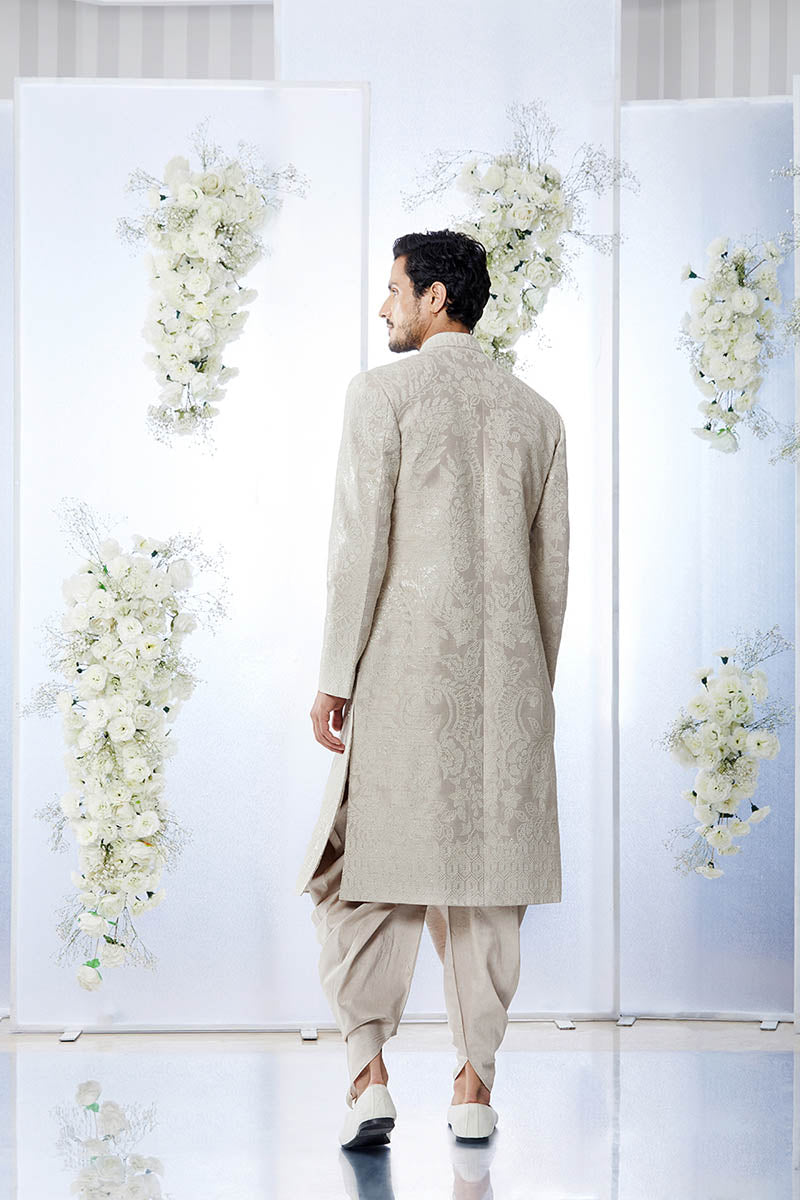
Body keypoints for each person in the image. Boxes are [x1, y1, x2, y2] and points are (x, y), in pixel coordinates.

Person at [295, 229, 570, 1149]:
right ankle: (474, 1087)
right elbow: (552, 578)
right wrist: (530, 689)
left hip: (404, 678)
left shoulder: (382, 395)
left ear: (435, 297)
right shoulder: (538, 415)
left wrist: (335, 676)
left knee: (363, 874)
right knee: (485, 890)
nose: (385, 307)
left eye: (394, 290)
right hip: (510, 691)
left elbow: (357, 549)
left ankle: (369, 1074)